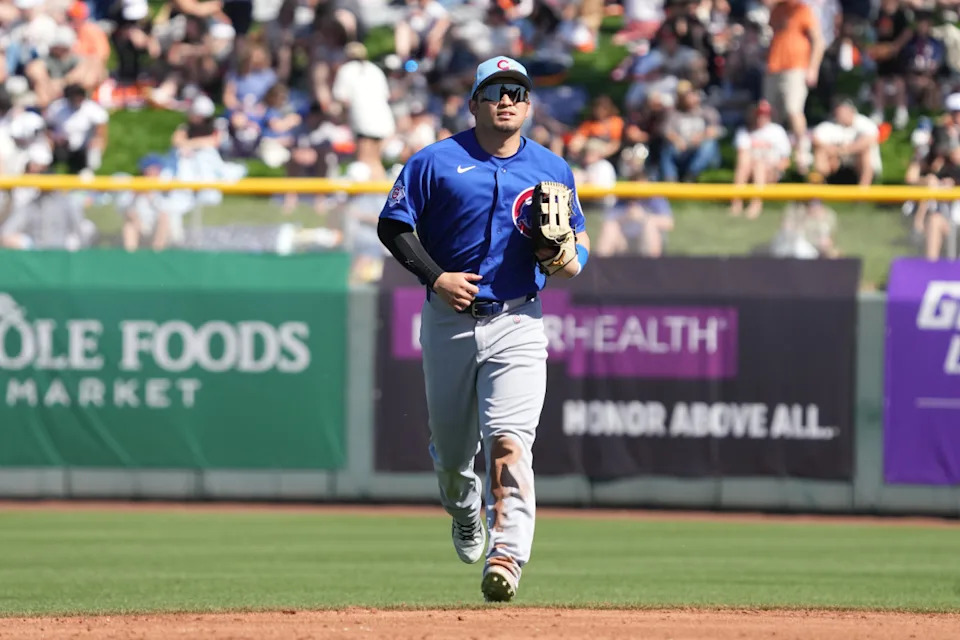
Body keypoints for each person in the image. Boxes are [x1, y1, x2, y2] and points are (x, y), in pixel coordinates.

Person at [376, 56, 590, 603]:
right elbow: (393, 224)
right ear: (473, 103)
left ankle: (507, 554)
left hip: (519, 318)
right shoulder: (435, 161)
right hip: (449, 319)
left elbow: (578, 249)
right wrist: (436, 275)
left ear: (528, 104)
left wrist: (566, 255)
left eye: (516, 91)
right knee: (452, 457)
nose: (506, 100)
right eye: (494, 91)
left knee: (509, 442)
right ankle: (464, 508)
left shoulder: (552, 168)